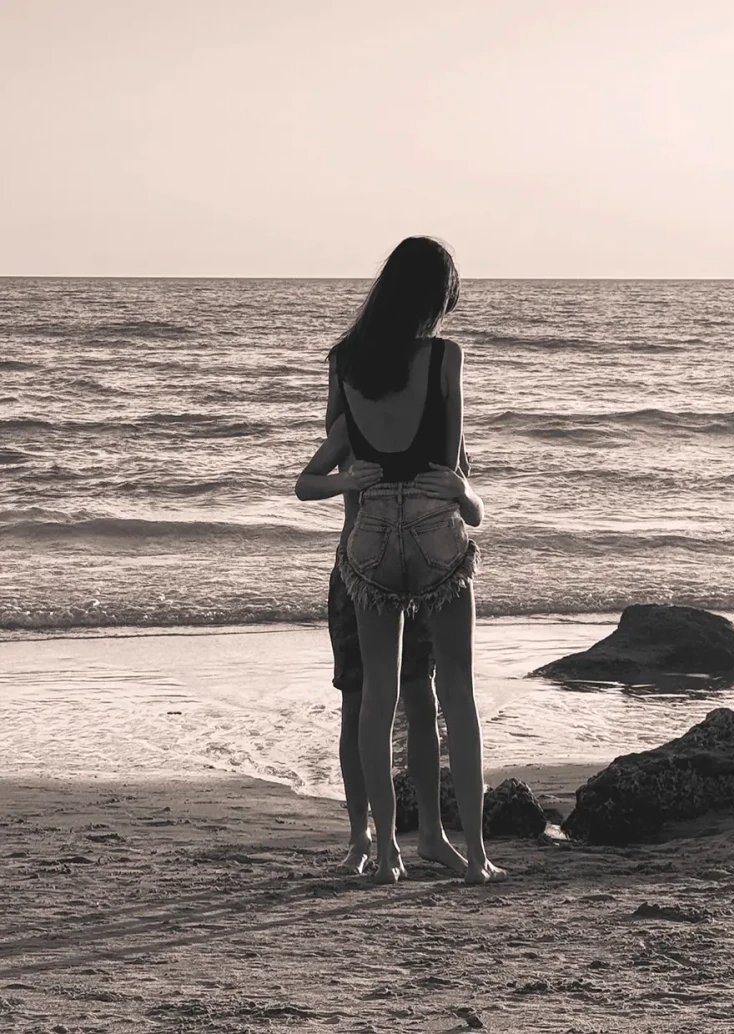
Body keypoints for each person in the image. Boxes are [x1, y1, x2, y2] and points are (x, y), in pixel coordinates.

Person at [296, 236, 506, 886]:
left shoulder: (346, 362)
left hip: (369, 541)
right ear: (433, 299)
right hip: (430, 529)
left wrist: (355, 478)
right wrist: (468, 500)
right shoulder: (445, 357)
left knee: (372, 700)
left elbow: (340, 453)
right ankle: (474, 856)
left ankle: (385, 852)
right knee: (456, 697)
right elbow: (451, 467)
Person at [297, 421, 481, 876]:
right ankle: (363, 836)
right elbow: (304, 484)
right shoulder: (357, 417)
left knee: (421, 698)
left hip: (422, 576)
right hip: (358, 575)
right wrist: (348, 480)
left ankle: (431, 834)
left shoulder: (441, 425)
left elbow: (472, 507)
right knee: (358, 701)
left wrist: (463, 490)